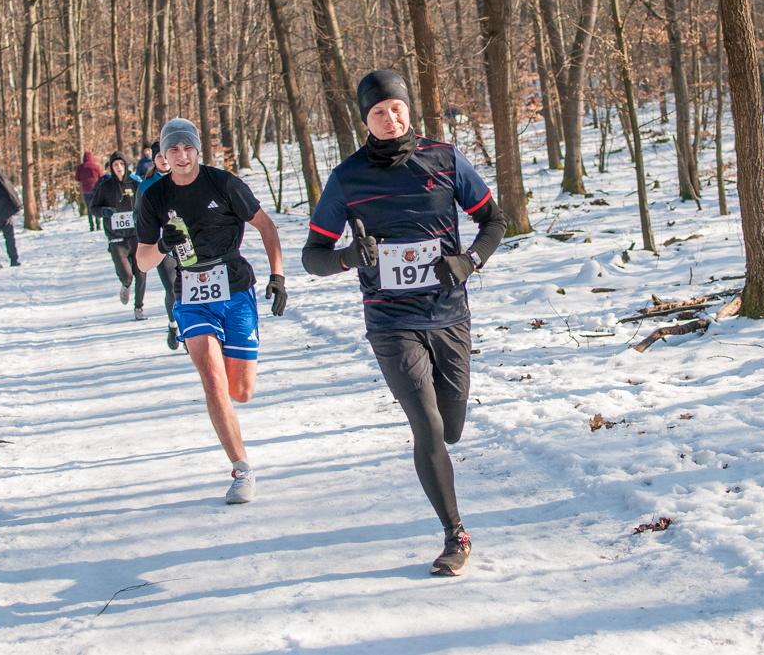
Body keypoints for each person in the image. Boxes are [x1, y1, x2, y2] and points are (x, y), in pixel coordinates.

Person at [302, 70, 507, 577]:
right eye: (378, 112)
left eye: (396, 108)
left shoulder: (445, 159)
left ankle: (445, 476)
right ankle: (455, 534)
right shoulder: (348, 178)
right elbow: (313, 256)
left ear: (408, 109)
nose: (390, 118)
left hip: (449, 313)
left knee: (451, 427)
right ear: (365, 119)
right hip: (390, 320)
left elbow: (494, 221)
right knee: (428, 425)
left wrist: (469, 261)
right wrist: (349, 256)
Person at [136, 118, 288, 504]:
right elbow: (142, 261)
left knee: (241, 391)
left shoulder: (223, 184)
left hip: (235, 288)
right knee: (214, 380)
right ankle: (242, 471)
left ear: (197, 150)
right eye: (173, 149)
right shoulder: (154, 197)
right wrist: (164, 246)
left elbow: (266, 226)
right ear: (163, 155)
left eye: (188, 147)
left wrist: (278, 276)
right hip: (190, 295)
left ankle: (229, 369)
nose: (181, 156)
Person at [91, 152, 147, 320]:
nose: (119, 168)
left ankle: (139, 307)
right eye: (115, 165)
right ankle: (126, 284)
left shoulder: (135, 184)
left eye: (121, 164)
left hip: (136, 236)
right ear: (111, 168)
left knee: (141, 272)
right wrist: (104, 211)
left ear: (126, 165)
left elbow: (147, 204)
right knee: (128, 275)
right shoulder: (104, 187)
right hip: (116, 240)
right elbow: (93, 208)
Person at [139, 144, 182, 349]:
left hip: (187, 245)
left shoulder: (184, 178)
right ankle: (174, 326)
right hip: (162, 247)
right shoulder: (145, 186)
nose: (163, 160)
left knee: (189, 290)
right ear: (153, 160)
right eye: (158, 156)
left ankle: (190, 330)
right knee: (173, 289)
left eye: (166, 155)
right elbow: (138, 215)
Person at [74, 151, 105, 231]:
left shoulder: (80, 167)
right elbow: (101, 176)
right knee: (96, 206)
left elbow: (77, 178)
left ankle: (91, 226)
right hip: (95, 189)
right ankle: (98, 225)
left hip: (86, 190)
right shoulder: (95, 166)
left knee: (89, 207)